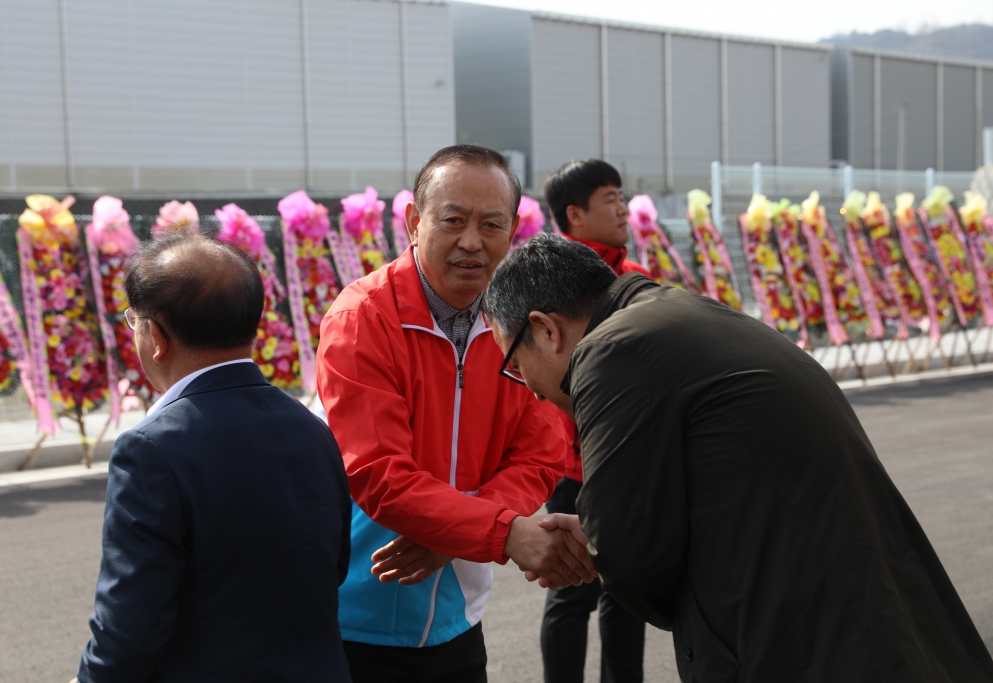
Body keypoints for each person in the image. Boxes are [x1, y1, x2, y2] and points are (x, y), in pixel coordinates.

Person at [483, 233, 993, 683]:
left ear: (546, 330)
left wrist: (599, 544)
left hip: (802, 642)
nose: (526, 387)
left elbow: (632, 555)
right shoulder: (684, 312)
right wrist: (603, 533)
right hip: (871, 617)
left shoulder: (610, 352)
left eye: (514, 364)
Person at [316, 145, 596, 682]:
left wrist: (460, 534)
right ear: (414, 221)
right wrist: (504, 533)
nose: (472, 241)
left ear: (513, 229)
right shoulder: (362, 318)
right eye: (453, 220)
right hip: (355, 619)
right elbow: (379, 474)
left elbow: (541, 455)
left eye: (492, 223)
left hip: (459, 617)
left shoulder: (520, 323)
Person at [74, 234, 352, 683]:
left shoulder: (151, 450)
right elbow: (331, 567)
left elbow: (131, 629)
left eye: (134, 322)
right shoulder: (311, 429)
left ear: (156, 336)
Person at [540, 159, 648, 683]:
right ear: (574, 215)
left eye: (621, 195)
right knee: (570, 594)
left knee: (629, 594)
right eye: (610, 197)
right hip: (574, 465)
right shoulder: (554, 283)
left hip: (628, 461)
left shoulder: (632, 281)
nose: (622, 206)